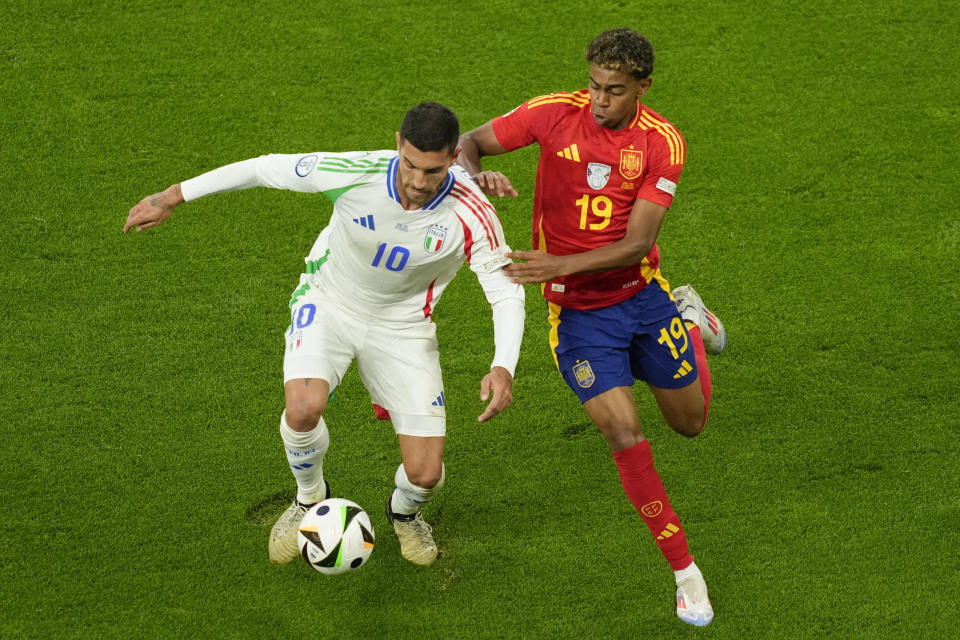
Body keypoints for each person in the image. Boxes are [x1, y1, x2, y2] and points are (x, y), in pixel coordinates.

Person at [124, 102, 525, 567]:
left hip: (403, 327)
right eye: (410, 164)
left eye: (432, 170)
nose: (417, 181)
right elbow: (262, 169)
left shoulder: (473, 212)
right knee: (303, 407)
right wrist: (171, 197)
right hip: (330, 300)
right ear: (398, 144)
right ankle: (308, 500)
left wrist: (503, 365)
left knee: (426, 474)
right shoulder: (355, 170)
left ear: (454, 157)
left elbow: (505, 292)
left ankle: (405, 514)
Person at [457, 29, 725, 626]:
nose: (600, 100)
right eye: (595, 86)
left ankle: (687, 316)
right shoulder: (553, 114)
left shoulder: (662, 143)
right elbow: (469, 142)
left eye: (615, 91)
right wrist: (480, 178)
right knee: (625, 434)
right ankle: (687, 574)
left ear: (642, 88)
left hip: (641, 298)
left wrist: (558, 264)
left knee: (690, 424)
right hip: (578, 318)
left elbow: (639, 244)